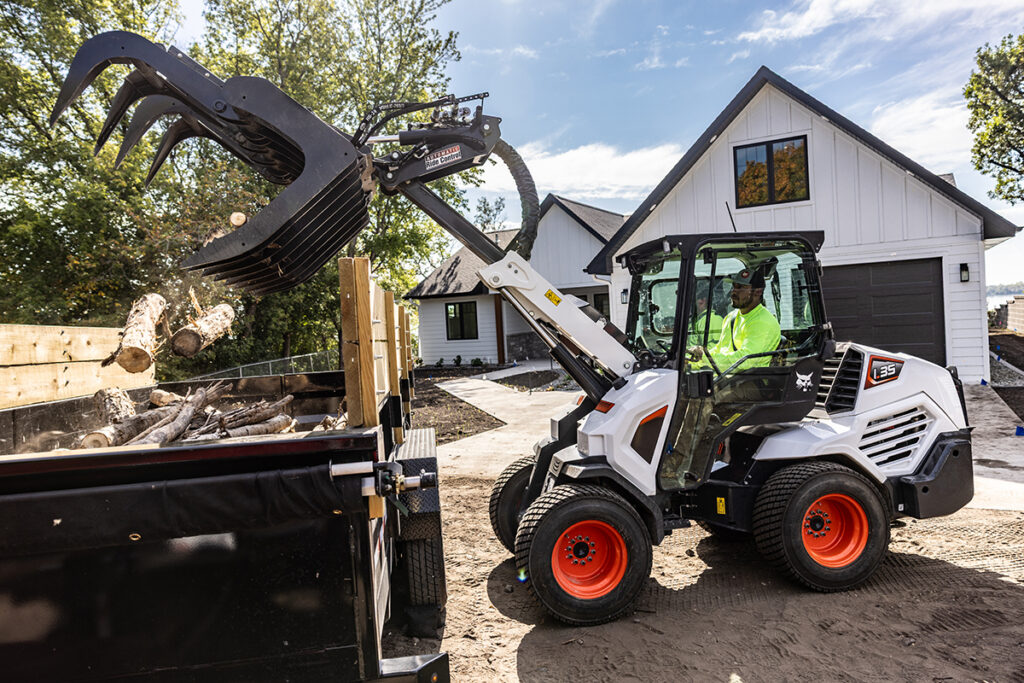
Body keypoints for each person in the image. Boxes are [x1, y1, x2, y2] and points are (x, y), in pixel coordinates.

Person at [688, 267, 780, 373]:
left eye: (740, 288)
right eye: (734, 287)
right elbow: (720, 349)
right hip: (727, 378)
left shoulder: (763, 322)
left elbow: (745, 360)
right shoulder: (731, 317)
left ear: (758, 292)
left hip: (749, 383)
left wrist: (704, 358)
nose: (733, 292)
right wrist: (692, 361)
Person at [687, 280, 723, 347]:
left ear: (702, 301)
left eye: (688, 300)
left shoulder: (713, 320)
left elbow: (712, 351)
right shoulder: (694, 321)